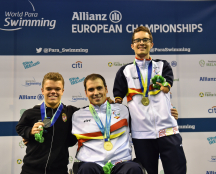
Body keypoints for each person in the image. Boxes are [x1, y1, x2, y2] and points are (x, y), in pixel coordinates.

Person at [113, 26, 186, 174]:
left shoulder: (163, 65)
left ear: (151, 44)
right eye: (137, 40)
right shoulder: (124, 71)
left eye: (145, 40)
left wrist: (165, 91)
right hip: (142, 134)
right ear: (132, 45)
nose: (141, 43)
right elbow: (118, 102)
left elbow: (167, 87)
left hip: (168, 130)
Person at [72, 74, 143, 174]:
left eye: (99, 88)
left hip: (121, 163)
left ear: (106, 89)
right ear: (86, 93)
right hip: (92, 164)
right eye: (91, 89)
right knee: (86, 169)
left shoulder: (124, 110)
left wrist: (170, 115)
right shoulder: (77, 115)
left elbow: (144, 123)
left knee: (133, 169)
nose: (96, 93)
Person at [16, 72, 79, 174]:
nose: (53, 92)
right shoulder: (31, 113)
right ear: (42, 91)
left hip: (59, 170)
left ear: (62, 91)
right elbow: (20, 127)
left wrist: (109, 103)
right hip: (31, 169)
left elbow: (89, 111)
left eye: (57, 89)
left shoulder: (70, 112)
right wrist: (29, 132)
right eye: (49, 89)